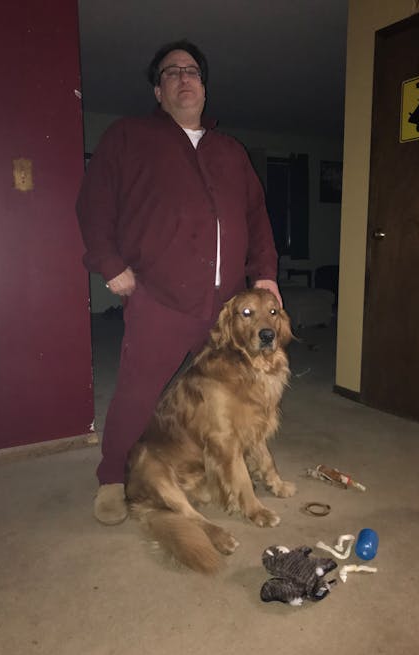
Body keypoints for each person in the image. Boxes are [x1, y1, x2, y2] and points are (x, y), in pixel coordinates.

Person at [76, 39, 282, 525]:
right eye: (172, 72)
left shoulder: (230, 151)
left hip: (230, 304)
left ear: (204, 88)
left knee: (238, 391)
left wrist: (265, 274)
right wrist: (110, 264)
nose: (184, 78)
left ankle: (241, 465)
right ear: (158, 89)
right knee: (137, 391)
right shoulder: (129, 136)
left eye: (192, 71)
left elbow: (256, 216)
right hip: (161, 297)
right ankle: (112, 478)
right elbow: (94, 202)